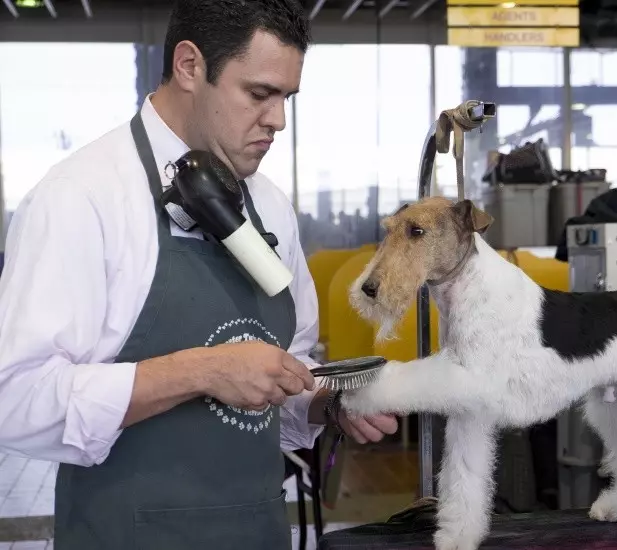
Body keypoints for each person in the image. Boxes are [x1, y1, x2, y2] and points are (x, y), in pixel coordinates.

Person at [0, 0, 398, 548]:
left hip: (257, 533)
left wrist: (326, 403)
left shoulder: (271, 206)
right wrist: (201, 370)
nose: (278, 120)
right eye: (259, 94)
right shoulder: (82, 196)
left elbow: (292, 360)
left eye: (287, 98)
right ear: (189, 66)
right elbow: (16, 398)